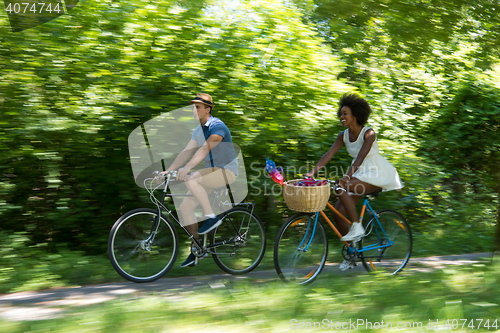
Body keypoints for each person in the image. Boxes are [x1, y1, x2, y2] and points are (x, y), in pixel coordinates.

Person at [304, 93, 403, 271]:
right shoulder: (343, 136)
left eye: (345, 114)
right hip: (358, 174)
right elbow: (329, 154)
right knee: (338, 213)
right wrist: (312, 172)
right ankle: (351, 253)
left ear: (356, 115)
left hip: (375, 173)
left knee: (341, 186)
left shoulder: (369, 133)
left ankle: (357, 226)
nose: (342, 117)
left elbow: (360, 157)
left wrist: (347, 177)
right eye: (340, 114)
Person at [161, 93, 238, 267]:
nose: (194, 110)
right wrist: (169, 170)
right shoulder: (198, 130)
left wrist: (187, 168)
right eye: (193, 107)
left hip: (226, 171)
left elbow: (204, 149)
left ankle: (211, 217)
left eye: (197, 107)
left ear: (208, 109)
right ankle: (197, 250)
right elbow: (186, 152)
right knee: (185, 207)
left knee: (192, 178)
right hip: (210, 174)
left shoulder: (217, 126)